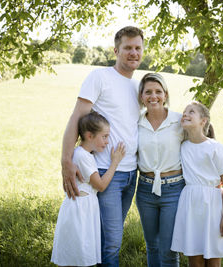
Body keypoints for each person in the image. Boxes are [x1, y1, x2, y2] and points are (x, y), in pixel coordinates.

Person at [60, 26, 144, 266]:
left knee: (106, 235)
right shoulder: (100, 77)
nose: (133, 52)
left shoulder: (136, 87)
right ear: (116, 50)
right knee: (112, 241)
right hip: (107, 171)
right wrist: (66, 160)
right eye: (128, 47)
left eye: (138, 48)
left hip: (131, 173)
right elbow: (76, 117)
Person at [51, 111, 126, 266]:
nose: (107, 142)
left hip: (85, 207)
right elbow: (101, 185)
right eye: (104, 136)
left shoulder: (84, 154)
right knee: (77, 254)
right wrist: (115, 162)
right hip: (80, 209)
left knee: (81, 254)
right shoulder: (83, 156)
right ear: (89, 135)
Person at [171, 102, 223, 267]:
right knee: (195, 259)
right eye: (184, 112)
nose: (185, 114)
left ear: (203, 121)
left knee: (214, 258)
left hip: (213, 206)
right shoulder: (182, 146)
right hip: (191, 206)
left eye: (191, 112)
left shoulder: (214, 147)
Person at [136, 73, 185, 267]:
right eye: (148, 92)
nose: (153, 96)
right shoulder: (136, 122)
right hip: (145, 190)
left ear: (165, 95)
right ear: (142, 96)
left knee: (169, 250)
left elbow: (200, 144)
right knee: (152, 247)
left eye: (158, 91)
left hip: (174, 190)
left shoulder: (179, 121)